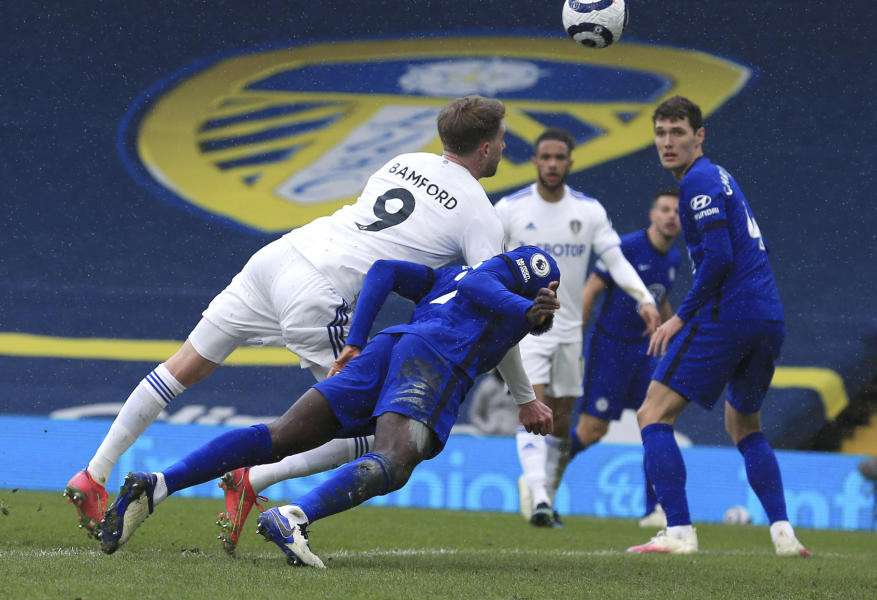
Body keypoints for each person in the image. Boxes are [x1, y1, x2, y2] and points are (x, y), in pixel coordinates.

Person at [64, 95, 551, 539]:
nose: (505, 148)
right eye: (503, 141)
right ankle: (253, 480)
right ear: (486, 149)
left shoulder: (405, 161)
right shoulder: (480, 215)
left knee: (185, 364)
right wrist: (525, 397)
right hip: (323, 291)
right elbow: (486, 308)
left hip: (283, 253)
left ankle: (95, 472)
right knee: (365, 428)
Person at [98, 246, 561, 567]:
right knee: (397, 458)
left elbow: (384, 270)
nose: (550, 305)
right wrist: (526, 309)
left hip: (386, 347)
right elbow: (486, 285)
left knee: (280, 436)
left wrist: (356, 340)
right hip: (432, 359)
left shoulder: (452, 282)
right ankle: (292, 516)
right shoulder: (501, 283)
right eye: (548, 294)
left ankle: (155, 485)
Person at [627, 96, 810, 557]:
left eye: (678, 133)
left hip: (730, 313)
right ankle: (783, 533)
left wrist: (680, 316)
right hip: (768, 316)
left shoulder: (700, 180)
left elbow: (721, 258)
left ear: (699, 136)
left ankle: (680, 531)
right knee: (744, 424)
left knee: (652, 413)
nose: (667, 143)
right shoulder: (721, 176)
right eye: (661, 133)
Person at [494, 128, 661, 527]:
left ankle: (544, 495)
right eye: (545, 157)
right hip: (526, 326)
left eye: (559, 158)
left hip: (569, 331)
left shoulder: (589, 212)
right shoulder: (509, 209)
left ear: (570, 162)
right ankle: (538, 498)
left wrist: (645, 297)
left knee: (562, 423)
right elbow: (487, 264)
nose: (552, 164)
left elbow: (616, 260)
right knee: (531, 408)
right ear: (535, 161)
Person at [562, 189, 682, 529]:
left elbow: (661, 303)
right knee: (592, 431)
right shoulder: (627, 247)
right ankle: (542, 477)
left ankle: (653, 510)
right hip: (611, 350)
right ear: (652, 215)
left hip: (645, 352)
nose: (672, 215)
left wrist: (672, 335)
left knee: (657, 421)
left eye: (677, 211)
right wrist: (576, 339)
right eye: (665, 209)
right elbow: (591, 290)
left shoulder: (672, 259)